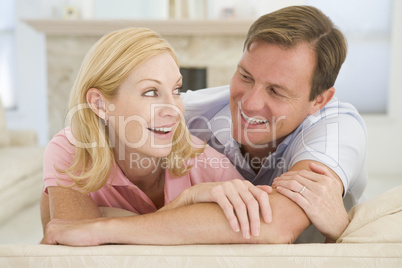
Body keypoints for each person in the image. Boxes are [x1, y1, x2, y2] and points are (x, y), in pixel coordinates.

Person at [42, 5, 367, 246]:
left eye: (276, 91)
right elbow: (63, 231)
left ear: (318, 101)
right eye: (245, 76)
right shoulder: (184, 112)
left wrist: (102, 227)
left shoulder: (335, 132)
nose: (249, 102)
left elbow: (274, 224)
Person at [40, 27, 274, 243]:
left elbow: (263, 238)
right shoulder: (71, 152)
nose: (173, 109)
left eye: (176, 90)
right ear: (100, 104)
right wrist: (187, 203)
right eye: (151, 92)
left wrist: (105, 220)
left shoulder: (209, 166)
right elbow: (79, 254)